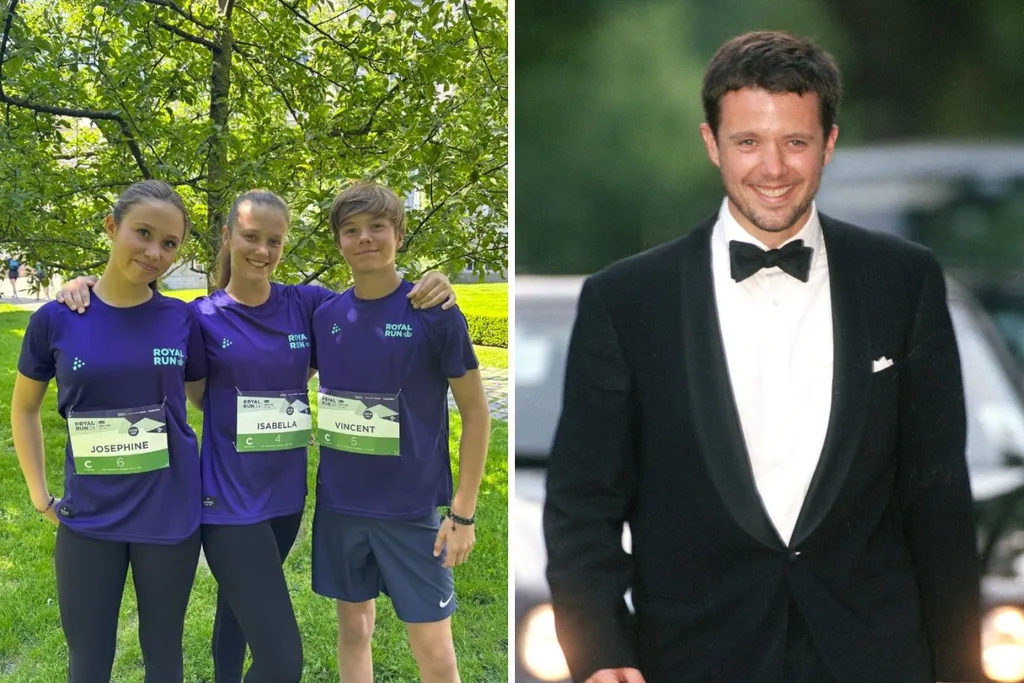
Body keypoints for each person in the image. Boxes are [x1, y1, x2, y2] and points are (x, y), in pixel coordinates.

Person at [542, 30, 982, 683]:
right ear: (711, 143)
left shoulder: (904, 281)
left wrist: (961, 668)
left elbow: (937, 497)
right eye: (748, 141)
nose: (772, 168)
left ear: (829, 144)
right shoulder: (626, 300)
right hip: (693, 659)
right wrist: (601, 648)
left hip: (875, 660)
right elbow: (584, 502)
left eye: (795, 142)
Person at [56, 188, 457, 683]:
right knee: (281, 658)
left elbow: (371, 303)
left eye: (274, 240)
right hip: (226, 500)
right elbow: (184, 375)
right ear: (227, 237)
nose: (261, 250)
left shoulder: (307, 304)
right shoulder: (199, 316)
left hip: (285, 498)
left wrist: (431, 283)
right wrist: (84, 285)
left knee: (237, 615)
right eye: (250, 236)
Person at [10, 180, 205, 683]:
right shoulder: (57, 318)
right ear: (112, 227)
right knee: (89, 660)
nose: (154, 253)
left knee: (164, 656)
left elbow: (209, 396)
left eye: (169, 243)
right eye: (142, 233)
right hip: (89, 518)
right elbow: (25, 411)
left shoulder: (182, 320)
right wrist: (40, 497)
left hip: (169, 514)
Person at [310, 182, 490, 683]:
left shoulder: (434, 313)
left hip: (412, 513)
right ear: (338, 241)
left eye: (377, 227)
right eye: (351, 230)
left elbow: (477, 413)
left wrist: (464, 513)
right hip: (341, 507)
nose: (364, 238)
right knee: (353, 631)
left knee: (435, 652)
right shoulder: (325, 317)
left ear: (400, 235)